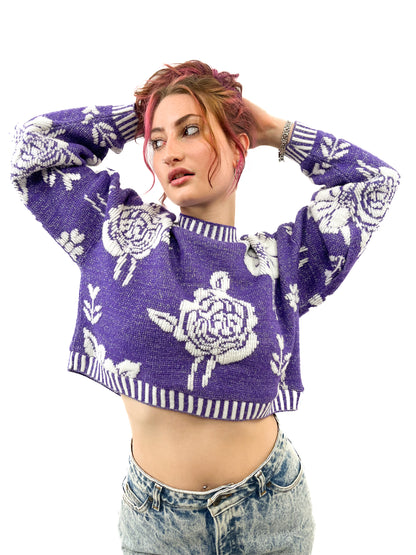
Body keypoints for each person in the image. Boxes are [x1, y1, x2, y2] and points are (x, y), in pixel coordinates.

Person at [10, 60, 399, 554]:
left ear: (238, 147)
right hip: (156, 523)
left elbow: (374, 183)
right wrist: (139, 115)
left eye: (190, 131)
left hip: (272, 510)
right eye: (157, 141)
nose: (170, 151)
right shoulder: (117, 233)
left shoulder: (278, 263)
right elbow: (32, 149)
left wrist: (274, 132)